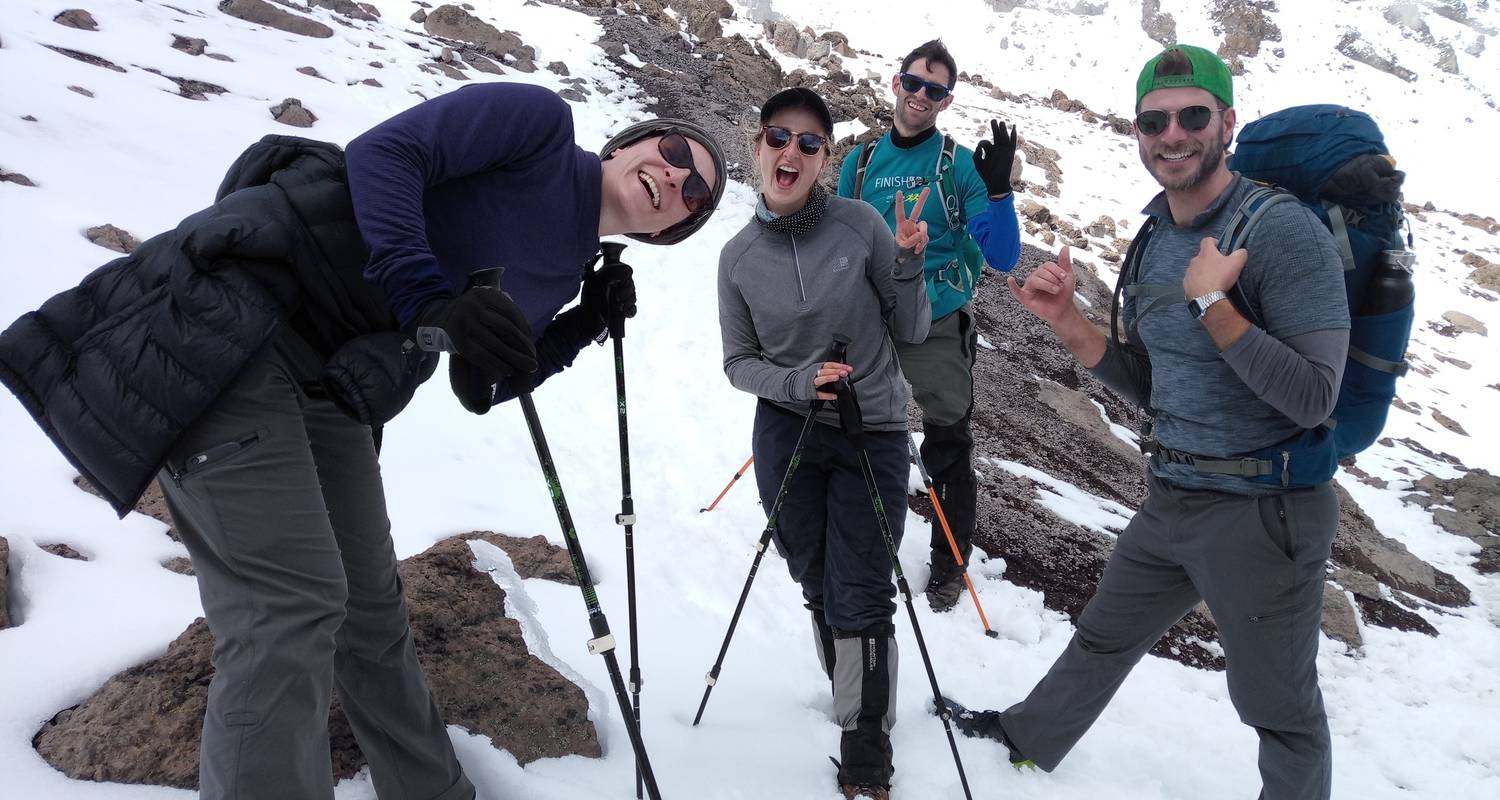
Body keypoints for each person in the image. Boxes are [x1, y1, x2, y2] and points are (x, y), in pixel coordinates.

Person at [0, 81, 725, 800]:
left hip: (327, 382)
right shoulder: (537, 125)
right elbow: (386, 154)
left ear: (668, 232)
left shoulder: (565, 272)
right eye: (671, 150)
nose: (674, 175)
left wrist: (579, 324)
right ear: (630, 143)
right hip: (241, 326)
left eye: (695, 192)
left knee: (370, 610)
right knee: (290, 607)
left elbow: (481, 385)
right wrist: (426, 298)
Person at [946, 46, 1349, 800]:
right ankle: (1027, 739)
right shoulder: (1156, 235)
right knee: (1104, 634)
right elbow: (1156, 386)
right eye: (1153, 121)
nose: (1173, 134)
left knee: (1279, 710)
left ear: (1227, 121)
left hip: (1266, 509)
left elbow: (1315, 398)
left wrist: (1214, 307)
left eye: (1193, 115)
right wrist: (1067, 321)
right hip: (1175, 494)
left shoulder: (1281, 232)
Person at [717, 87, 931, 800]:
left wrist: (906, 263)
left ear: (824, 159)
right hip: (788, 427)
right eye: (780, 136)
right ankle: (845, 675)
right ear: (758, 147)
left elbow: (914, 329)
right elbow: (738, 363)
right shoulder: (737, 258)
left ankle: (865, 743)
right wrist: (799, 382)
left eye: (810, 143)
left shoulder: (861, 223)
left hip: (870, 426)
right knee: (812, 570)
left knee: (863, 583)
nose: (792, 152)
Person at [837, 39, 1022, 611]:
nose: (921, 95)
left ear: (946, 101)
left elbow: (1006, 256)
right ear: (896, 84)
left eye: (934, 90)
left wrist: (999, 192)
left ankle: (949, 565)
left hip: (938, 318)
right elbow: (843, 243)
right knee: (852, 432)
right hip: (875, 319)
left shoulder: (958, 165)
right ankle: (857, 543)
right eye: (914, 83)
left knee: (946, 442)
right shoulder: (860, 162)